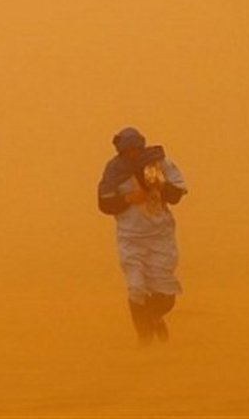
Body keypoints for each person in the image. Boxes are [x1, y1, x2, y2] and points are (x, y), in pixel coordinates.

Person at [97, 127, 188, 346]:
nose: (133, 154)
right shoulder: (114, 170)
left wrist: (158, 186)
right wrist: (129, 198)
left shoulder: (159, 162)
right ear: (120, 151)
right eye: (128, 151)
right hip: (131, 238)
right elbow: (104, 204)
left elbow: (176, 195)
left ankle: (154, 316)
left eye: (137, 149)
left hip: (160, 235)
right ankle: (144, 340)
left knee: (165, 294)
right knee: (136, 288)